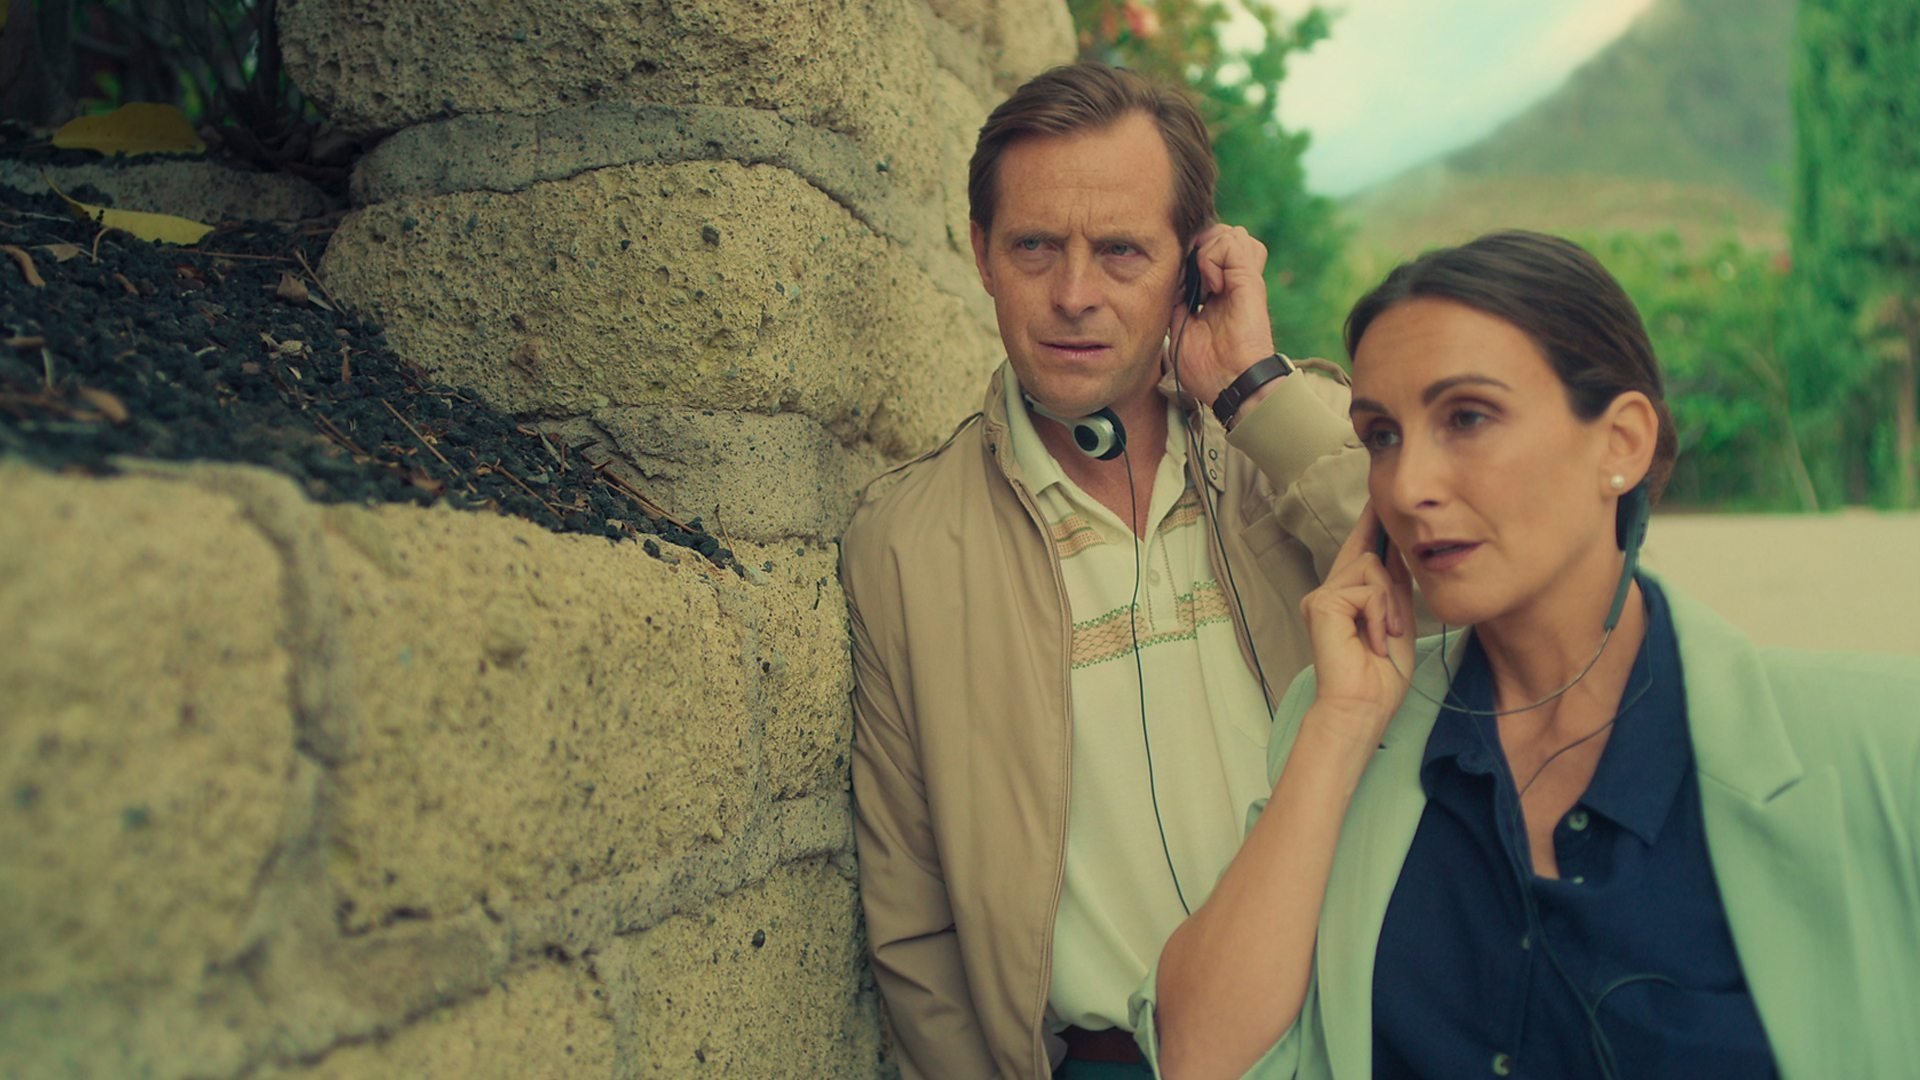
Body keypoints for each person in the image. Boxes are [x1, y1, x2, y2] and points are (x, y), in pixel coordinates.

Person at [1134, 230, 1920, 1079]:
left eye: (1468, 418)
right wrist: (1341, 728)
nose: (1408, 488)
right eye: (1383, 436)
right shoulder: (1339, 726)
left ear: (1622, 442)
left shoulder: (1881, 744)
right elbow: (1199, 1059)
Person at [840, 62, 1368, 1078]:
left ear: (1193, 266)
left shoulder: (1292, 443)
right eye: (1035, 246)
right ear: (982, 254)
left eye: (1121, 251)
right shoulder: (902, 545)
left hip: (1355, 1037)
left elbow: (1449, 601)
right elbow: (913, 922)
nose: (1073, 296)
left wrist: (1258, 396)